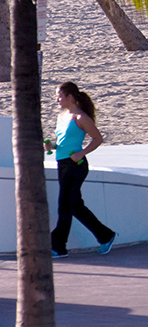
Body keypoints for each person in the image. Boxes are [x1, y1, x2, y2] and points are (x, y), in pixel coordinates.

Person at [45, 82, 115, 258]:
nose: (57, 100)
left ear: (70, 97)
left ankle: (58, 247)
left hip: (76, 165)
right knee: (74, 205)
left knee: (65, 206)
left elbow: (97, 138)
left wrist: (81, 153)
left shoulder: (81, 117)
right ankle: (106, 235)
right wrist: (50, 146)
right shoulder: (62, 117)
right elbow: (61, 142)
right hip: (62, 163)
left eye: (59, 96)